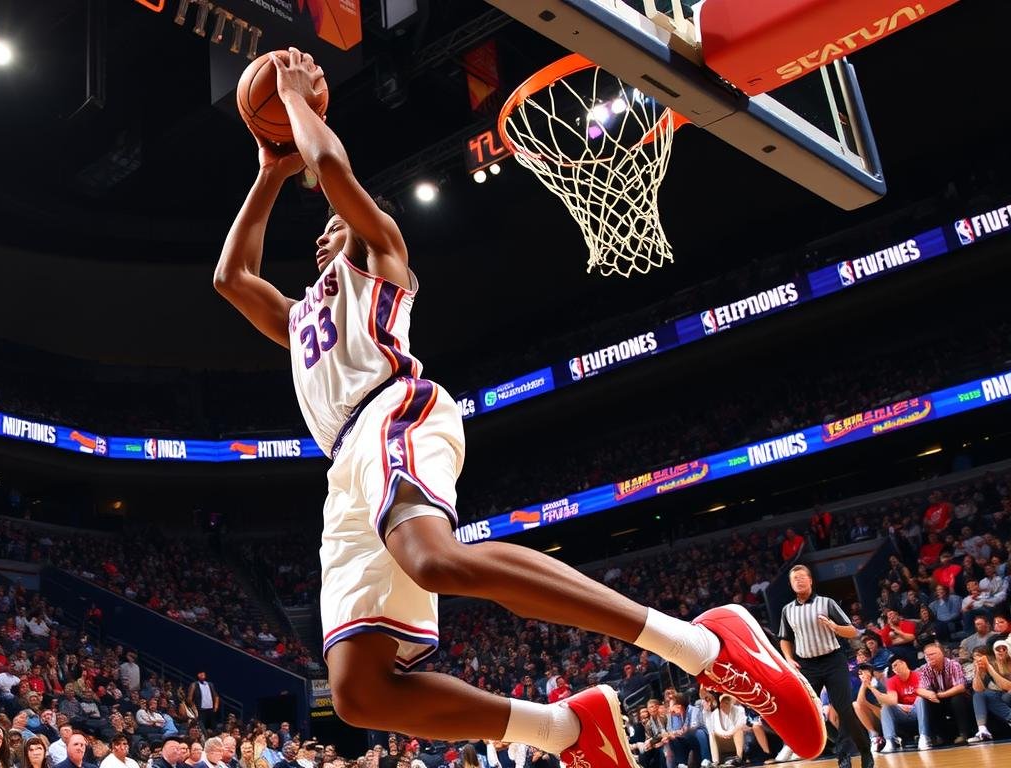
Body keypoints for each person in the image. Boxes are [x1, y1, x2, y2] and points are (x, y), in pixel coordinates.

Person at [212, 45, 825, 768]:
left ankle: (703, 645)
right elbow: (231, 276)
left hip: (395, 412)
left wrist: (293, 108)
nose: (327, 228)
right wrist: (267, 170)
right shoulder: (300, 318)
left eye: (339, 218)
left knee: (434, 559)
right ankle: (567, 729)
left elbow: (338, 174)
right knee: (359, 692)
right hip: (344, 468)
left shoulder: (380, 254)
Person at [777, 565, 873, 768]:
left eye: (802, 577)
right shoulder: (787, 610)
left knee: (843, 709)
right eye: (795, 579)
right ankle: (840, 746)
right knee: (808, 711)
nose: (799, 581)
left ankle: (859, 751)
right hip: (807, 665)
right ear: (791, 584)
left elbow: (852, 631)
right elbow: (784, 638)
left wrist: (835, 627)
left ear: (810, 580)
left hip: (833, 660)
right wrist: (787, 657)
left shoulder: (826, 603)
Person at [914, 641, 973, 749]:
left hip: (960, 698)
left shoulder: (953, 664)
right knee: (928, 700)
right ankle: (940, 736)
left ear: (942, 653)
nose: (929, 657)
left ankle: (963, 734)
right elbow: (919, 689)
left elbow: (961, 687)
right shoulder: (925, 668)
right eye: (927, 655)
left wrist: (941, 695)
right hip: (940, 699)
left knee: (957, 698)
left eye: (932, 654)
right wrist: (929, 694)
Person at [969, 643, 1010, 742]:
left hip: (1006, 696)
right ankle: (982, 729)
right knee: (980, 695)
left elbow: (1007, 686)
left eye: (980, 656)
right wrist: (978, 673)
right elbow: (978, 689)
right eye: (975, 657)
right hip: (998, 696)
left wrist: (989, 667)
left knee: (1000, 696)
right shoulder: (981, 667)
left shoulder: (999, 664)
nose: (978, 660)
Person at [876, 658, 919, 752]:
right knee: (886, 706)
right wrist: (870, 687)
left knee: (921, 700)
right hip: (902, 712)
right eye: (893, 667)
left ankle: (926, 736)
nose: (894, 668)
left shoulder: (918, 675)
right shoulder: (891, 681)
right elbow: (892, 700)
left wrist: (913, 706)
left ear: (904, 663)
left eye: (896, 665)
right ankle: (890, 741)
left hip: (919, 709)